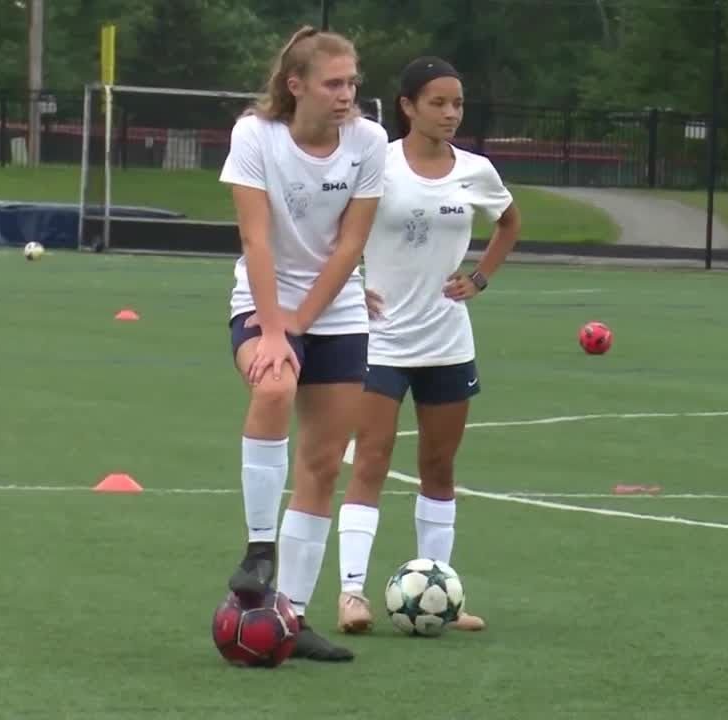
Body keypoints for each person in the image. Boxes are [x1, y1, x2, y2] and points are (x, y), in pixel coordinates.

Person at [332, 56, 521, 634]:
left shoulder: (476, 171)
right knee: (371, 460)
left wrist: (480, 277)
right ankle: (352, 595)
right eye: (437, 102)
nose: (450, 113)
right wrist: (348, 286)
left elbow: (509, 222)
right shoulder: (376, 163)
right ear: (407, 107)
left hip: (447, 342)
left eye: (457, 103)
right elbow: (330, 227)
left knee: (439, 467)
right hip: (381, 342)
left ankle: (441, 591)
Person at [219, 25, 389, 662]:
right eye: (334, 83)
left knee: (321, 465)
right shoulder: (254, 135)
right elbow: (256, 240)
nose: (348, 95)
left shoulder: (369, 142)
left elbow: (351, 246)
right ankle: (258, 550)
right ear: (296, 87)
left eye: (354, 83)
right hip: (261, 301)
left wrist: (304, 320)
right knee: (274, 385)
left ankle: (290, 615)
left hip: (337, 310)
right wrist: (273, 327)